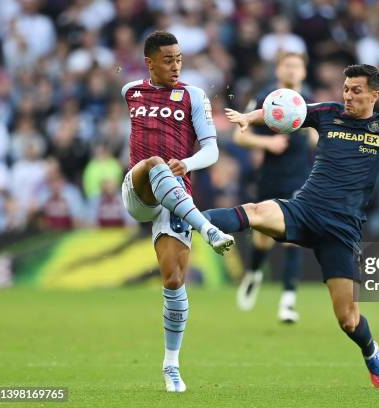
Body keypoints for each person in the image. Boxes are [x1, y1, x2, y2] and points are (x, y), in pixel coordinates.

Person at [205, 27, 379, 388]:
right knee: (256, 212)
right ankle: (188, 218)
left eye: (356, 91)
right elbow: (287, 110)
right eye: (345, 89)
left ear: (375, 94)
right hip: (304, 208)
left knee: (347, 319)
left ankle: (371, 352)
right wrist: (250, 119)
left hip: (341, 229)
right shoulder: (328, 114)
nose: (348, 96)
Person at [120, 31, 234, 393]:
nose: (176, 65)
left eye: (179, 58)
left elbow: (212, 151)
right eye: (168, 59)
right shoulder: (130, 92)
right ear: (149, 61)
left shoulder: (193, 95)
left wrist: (186, 162)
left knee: (172, 281)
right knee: (154, 163)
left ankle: (171, 364)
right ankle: (208, 229)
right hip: (138, 189)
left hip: (176, 195)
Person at [234, 52, 317, 323]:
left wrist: (314, 133)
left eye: (297, 66)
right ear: (279, 70)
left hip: (300, 178)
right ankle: (254, 272)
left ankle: (288, 302)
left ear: (304, 72)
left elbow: (318, 138)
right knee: (263, 238)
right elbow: (239, 135)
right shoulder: (267, 99)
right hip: (270, 175)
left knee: (294, 238)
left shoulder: (310, 100)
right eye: (287, 65)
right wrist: (267, 144)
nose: (292, 71)